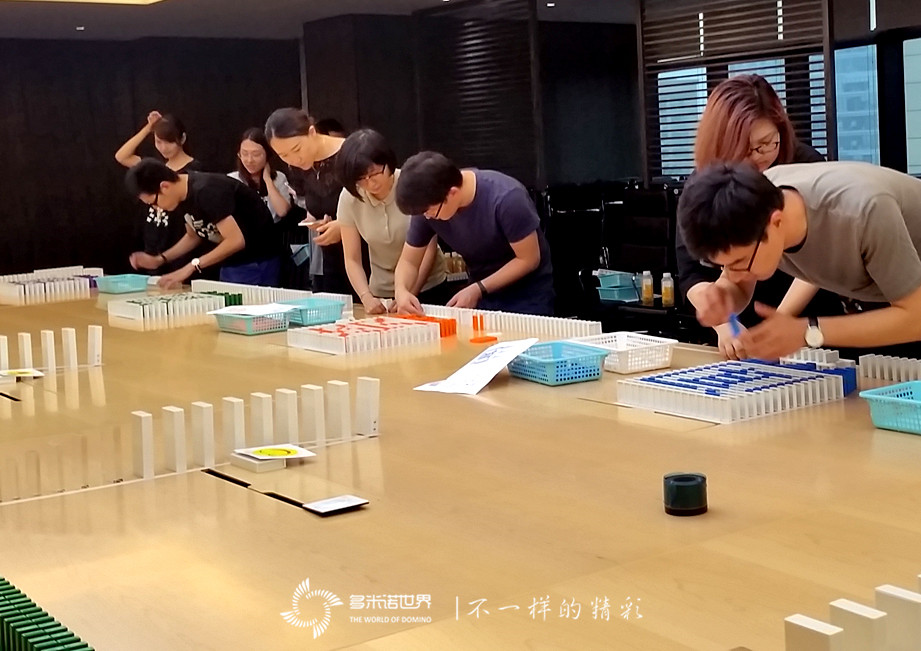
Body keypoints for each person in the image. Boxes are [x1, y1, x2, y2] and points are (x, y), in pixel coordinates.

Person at [676, 160, 921, 359]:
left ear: (776, 222)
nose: (733, 274)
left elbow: (916, 318)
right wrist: (723, 297)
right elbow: (736, 285)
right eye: (724, 266)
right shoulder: (756, 204)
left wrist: (807, 331)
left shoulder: (863, 213)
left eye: (740, 263)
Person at [678, 74, 827, 358]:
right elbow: (693, 271)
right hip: (742, 328)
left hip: (807, 326)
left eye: (766, 144)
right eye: (744, 151)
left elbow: (821, 261)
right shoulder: (707, 185)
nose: (758, 157)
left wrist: (779, 321)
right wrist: (724, 323)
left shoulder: (806, 168)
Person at [392, 151, 554, 315]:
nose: (427, 217)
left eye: (430, 212)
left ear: (453, 193)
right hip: (480, 292)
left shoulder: (507, 199)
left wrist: (479, 288)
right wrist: (401, 291)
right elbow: (409, 261)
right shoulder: (429, 205)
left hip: (527, 294)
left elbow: (528, 259)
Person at [336, 129, 448, 314]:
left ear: (387, 162)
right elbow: (352, 259)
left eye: (375, 173)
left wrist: (407, 293)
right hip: (381, 293)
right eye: (361, 179)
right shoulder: (350, 198)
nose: (370, 183)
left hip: (428, 287)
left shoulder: (411, 185)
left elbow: (428, 249)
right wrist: (366, 297)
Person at [125, 159, 280, 288]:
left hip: (256, 261)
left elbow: (235, 240)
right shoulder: (181, 196)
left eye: (154, 203)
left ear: (165, 186)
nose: (156, 208)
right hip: (232, 263)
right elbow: (194, 235)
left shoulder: (207, 191)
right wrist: (160, 259)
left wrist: (190, 267)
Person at [265, 108, 351, 294]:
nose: (294, 159)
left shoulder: (351, 153)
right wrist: (314, 219)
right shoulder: (297, 166)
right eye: (283, 155)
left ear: (312, 132)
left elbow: (380, 206)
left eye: (297, 149)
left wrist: (344, 226)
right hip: (332, 256)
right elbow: (314, 203)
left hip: (372, 256)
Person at [115, 111, 205, 273]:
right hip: (152, 243)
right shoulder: (155, 167)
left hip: (178, 247)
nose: (163, 148)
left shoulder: (194, 171)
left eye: (168, 142)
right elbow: (122, 156)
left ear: (182, 139)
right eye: (158, 142)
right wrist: (149, 128)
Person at [228, 128, 292, 222]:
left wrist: (268, 180)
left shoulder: (279, 178)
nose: (250, 160)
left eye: (256, 154)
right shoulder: (231, 180)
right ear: (239, 155)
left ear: (267, 155)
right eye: (244, 154)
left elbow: (282, 211)